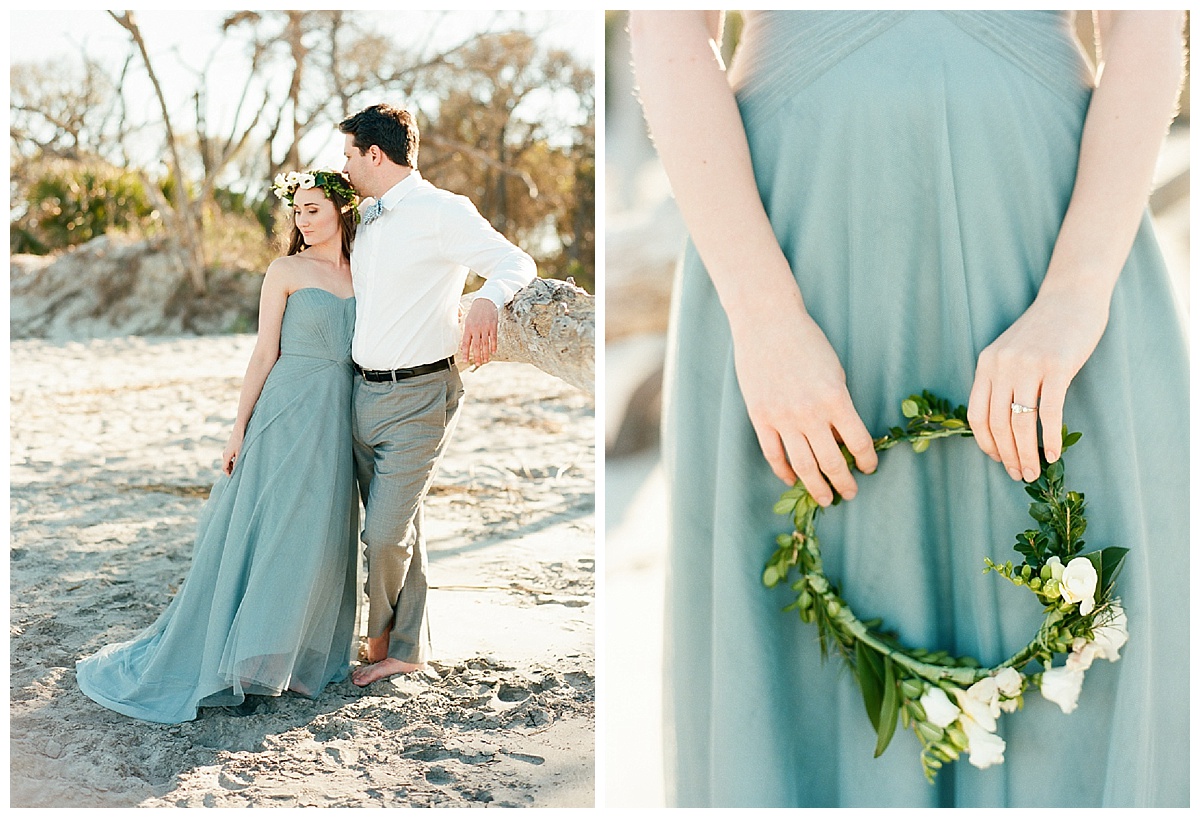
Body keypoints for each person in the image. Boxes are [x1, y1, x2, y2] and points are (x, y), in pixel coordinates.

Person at [631, 10, 1187, 807]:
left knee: (1079, 671)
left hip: (1057, 238)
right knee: (817, 677)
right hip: (795, 242)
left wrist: (1076, 293)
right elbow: (666, 29)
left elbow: (1147, 23)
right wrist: (764, 316)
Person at [75, 170, 361, 723]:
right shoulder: (284, 270)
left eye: (314, 209)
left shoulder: (364, 270)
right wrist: (238, 430)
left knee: (315, 532)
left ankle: (291, 656)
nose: (303, 220)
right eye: (297, 211)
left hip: (337, 415)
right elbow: (262, 354)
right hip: (285, 409)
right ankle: (244, 665)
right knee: (271, 527)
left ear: (340, 210)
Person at [337, 104, 537, 687]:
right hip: (360, 393)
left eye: (349, 154)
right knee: (403, 524)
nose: (343, 166)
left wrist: (486, 299)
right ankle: (408, 646)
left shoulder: (443, 210)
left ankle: (381, 644)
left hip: (422, 391)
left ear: (375, 154)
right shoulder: (368, 215)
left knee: (385, 533)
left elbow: (514, 260)